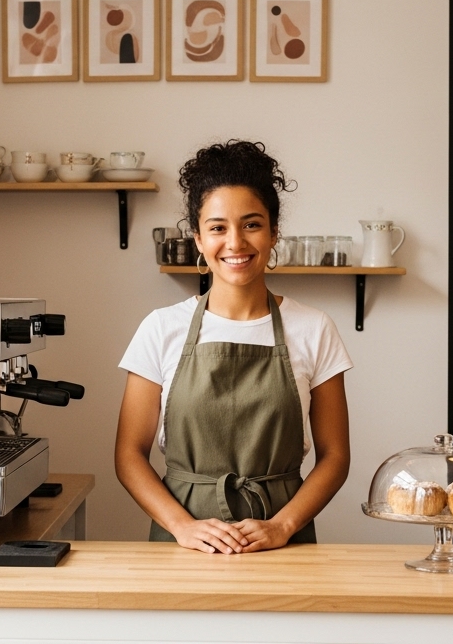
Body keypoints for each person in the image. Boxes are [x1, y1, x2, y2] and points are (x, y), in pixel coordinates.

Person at [115, 140, 352, 554]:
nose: (236, 242)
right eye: (218, 227)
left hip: (282, 544)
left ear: (274, 232)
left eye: (252, 224)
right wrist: (184, 527)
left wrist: (282, 526)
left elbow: (335, 456)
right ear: (198, 238)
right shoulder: (161, 328)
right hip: (182, 544)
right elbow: (129, 454)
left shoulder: (314, 328)